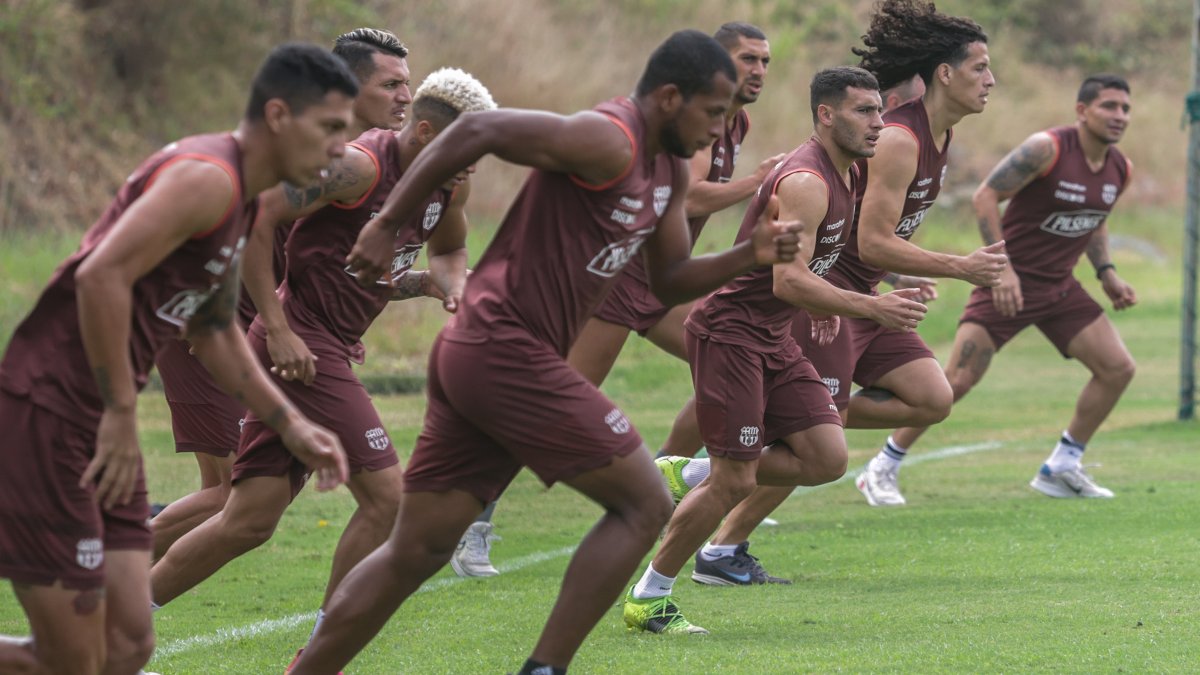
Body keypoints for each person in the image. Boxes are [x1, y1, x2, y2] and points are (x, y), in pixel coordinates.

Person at [288, 30, 801, 675]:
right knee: (644, 502)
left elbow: (670, 280)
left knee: (416, 549)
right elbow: (479, 131)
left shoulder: (668, 170)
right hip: (503, 348)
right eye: (713, 112)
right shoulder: (608, 138)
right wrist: (387, 222)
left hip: (485, 356)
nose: (720, 131)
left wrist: (750, 253)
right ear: (671, 98)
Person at [0, 43, 353, 675]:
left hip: (96, 421)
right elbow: (100, 277)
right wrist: (118, 412)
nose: (339, 148)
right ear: (278, 115)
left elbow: (212, 328)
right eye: (329, 127)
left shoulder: (242, 200)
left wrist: (291, 423)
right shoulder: (207, 178)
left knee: (128, 644)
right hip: (48, 411)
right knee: (72, 658)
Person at [148, 68, 495, 665]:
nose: (473, 166)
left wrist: (451, 284)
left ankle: (113, 632)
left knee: (248, 520)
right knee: (388, 500)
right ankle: (319, 657)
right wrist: (278, 327)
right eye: (468, 149)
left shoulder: (448, 186)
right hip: (303, 345)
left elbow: (450, 251)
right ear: (426, 133)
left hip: (329, 346)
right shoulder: (359, 168)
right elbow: (256, 216)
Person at [445, 21, 786, 581]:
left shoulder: (734, 121)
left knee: (728, 364)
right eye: (748, 59)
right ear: (715, 67)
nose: (759, 70)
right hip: (617, 281)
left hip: (663, 280)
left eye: (766, 61)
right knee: (549, 409)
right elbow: (689, 196)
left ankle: (675, 486)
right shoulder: (681, 124)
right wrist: (756, 184)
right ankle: (474, 517)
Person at [624, 66, 928, 633]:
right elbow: (787, 281)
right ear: (826, 115)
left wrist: (829, 303)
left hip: (773, 336)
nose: (878, 124)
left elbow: (808, 265)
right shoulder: (807, 180)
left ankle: (687, 470)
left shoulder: (849, 173)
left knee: (826, 458)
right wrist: (868, 307)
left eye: (880, 112)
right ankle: (650, 596)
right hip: (731, 335)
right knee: (735, 480)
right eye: (864, 111)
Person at [149, 27, 413, 559]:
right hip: (209, 321)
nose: (406, 97)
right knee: (230, 496)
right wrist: (216, 312)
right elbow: (235, 215)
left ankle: (114, 580)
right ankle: (101, 577)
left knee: (238, 501)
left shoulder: (359, 164)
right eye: (390, 85)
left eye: (408, 84)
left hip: (258, 329)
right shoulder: (306, 153)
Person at [887, 74, 1136, 500]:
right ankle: (883, 465)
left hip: (1060, 289)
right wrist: (1002, 270)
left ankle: (1062, 466)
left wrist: (1107, 271)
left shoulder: (1120, 169)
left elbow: (1096, 218)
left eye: (1126, 108)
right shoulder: (1047, 149)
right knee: (956, 382)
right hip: (1008, 285)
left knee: (1118, 369)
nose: (1119, 116)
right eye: (1109, 106)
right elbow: (984, 197)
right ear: (1082, 111)